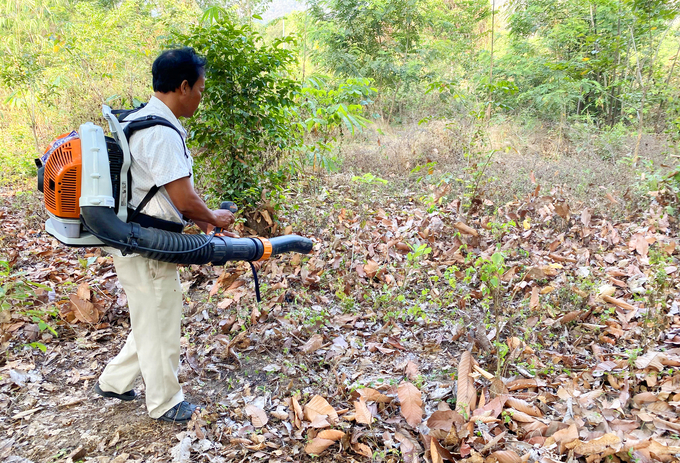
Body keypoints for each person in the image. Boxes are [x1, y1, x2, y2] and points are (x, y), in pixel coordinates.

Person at [94, 47, 235, 424]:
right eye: (201, 89)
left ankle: (113, 382)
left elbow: (172, 194)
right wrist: (212, 217)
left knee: (149, 317)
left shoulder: (142, 119)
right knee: (160, 321)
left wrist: (200, 216)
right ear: (184, 86)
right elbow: (182, 197)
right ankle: (165, 402)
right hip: (148, 245)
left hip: (136, 238)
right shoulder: (160, 131)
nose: (201, 97)